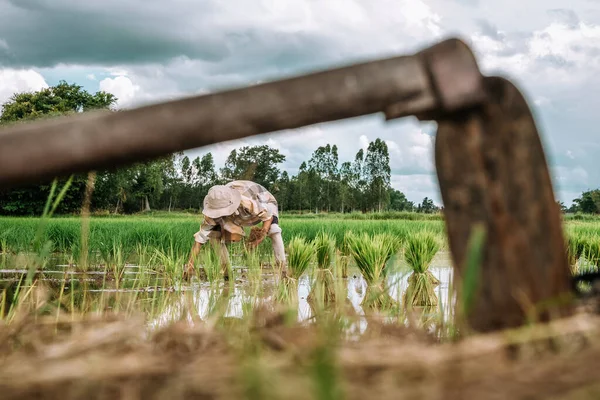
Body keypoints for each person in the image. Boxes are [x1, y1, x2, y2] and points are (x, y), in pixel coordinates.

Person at [184, 180, 287, 280]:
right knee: (213, 236)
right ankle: (227, 273)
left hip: (263, 200)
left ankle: (283, 272)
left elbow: (268, 217)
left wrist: (260, 237)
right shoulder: (214, 206)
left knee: (273, 230)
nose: (219, 214)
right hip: (237, 210)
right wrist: (190, 265)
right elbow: (199, 240)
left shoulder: (246, 202)